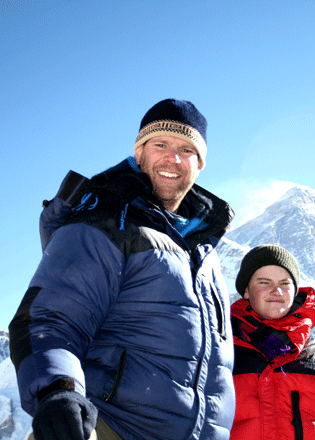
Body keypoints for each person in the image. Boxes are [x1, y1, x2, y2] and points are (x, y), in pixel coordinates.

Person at [9, 99, 236, 440]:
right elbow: (52, 318)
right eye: (160, 144)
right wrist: (59, 391)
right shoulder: (105, 219)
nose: (172, 158)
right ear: (140, 152)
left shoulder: (205, 253)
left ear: (200, 164)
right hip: (114, 427)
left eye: (186, 150)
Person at [230, 245, 315, 440]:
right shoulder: (222, 356)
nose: (277, 291)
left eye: (285, 283)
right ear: (246, 291)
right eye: (264, 282)